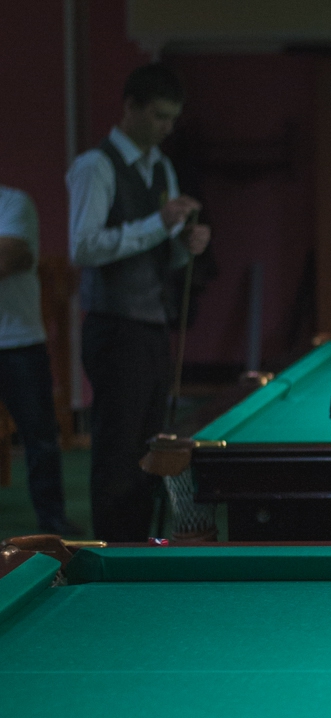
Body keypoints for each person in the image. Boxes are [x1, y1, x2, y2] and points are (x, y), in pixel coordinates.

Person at [68, 65, 211, 542]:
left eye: (172, 118)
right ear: (130, 107)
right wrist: (158, 224)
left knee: (151, 449)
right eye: (159, 116)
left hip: (153, 325)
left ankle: (140, 549)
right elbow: (83, 247)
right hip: (114, 327)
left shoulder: (161, 167)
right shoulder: (95, 166)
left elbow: (163, 251)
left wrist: (186, 244)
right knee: (118, 454)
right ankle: (113, 555)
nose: (167, 127)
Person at [0, 183, 66, 534]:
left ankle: (52, 522)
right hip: (21, 340)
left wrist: (7, 252)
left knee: (40, 438)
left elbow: (9, 258)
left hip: (21, 341)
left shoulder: (14, 202)